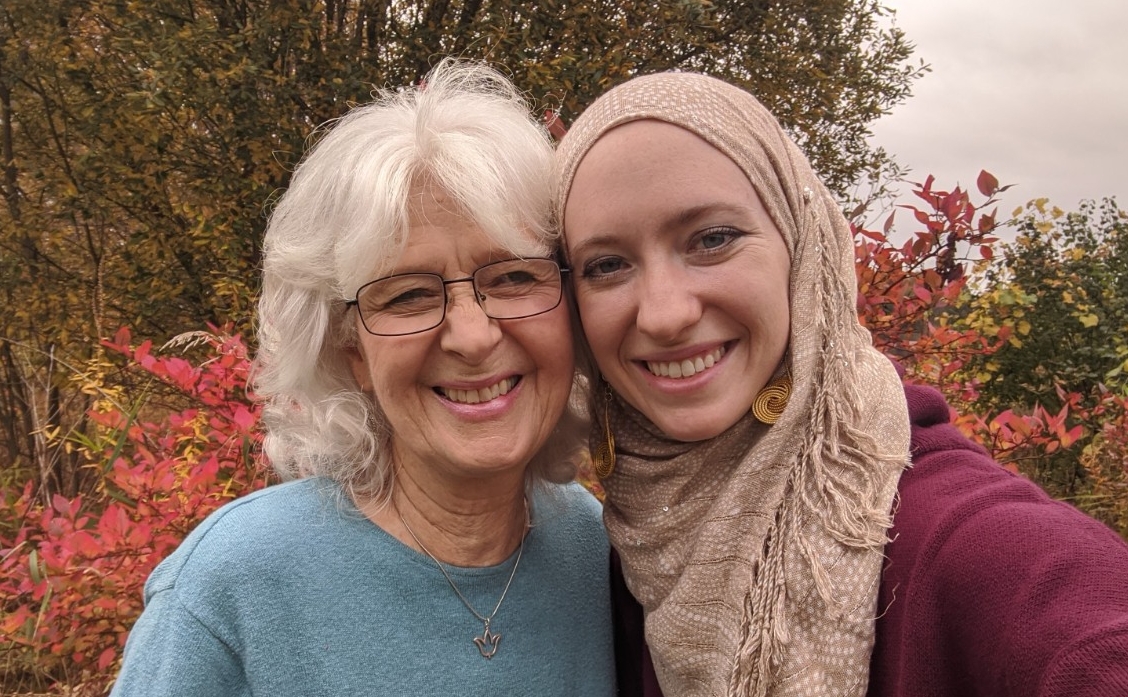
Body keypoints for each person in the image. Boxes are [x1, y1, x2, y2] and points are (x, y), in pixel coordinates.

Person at [554, 71, 1128, 697]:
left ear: (804, 246)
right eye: (606, 265)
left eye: (713, 239)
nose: (664, 314)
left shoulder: (962, 541)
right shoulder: (617, 549)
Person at [110, 59, 615, 695]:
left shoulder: (596, 550)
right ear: (350, 350)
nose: (473, 335)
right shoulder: (233, 589)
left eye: (514, 277)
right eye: (407, 296)